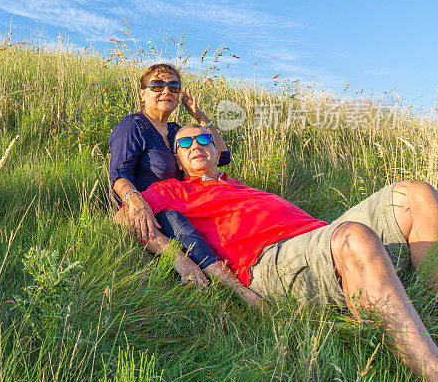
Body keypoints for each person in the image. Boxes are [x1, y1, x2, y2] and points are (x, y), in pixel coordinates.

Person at [141, 123, 438, 380]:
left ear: (218, 152)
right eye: (185, 142)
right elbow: (126, 217)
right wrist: (178, 260)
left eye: (204, 140)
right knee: (353, 236)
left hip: (320, 235)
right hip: (270, 260)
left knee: (416, 193)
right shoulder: (169, 191)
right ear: (178, 161)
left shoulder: (238, 186)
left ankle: (428, 307)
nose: (196, 145)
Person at [109, 64, 264, 308]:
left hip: (184, 201)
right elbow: (119, 174)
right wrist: (136, 201)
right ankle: (243, 296)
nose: (166, 92)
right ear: (142, 94)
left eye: (174, 87)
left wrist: (200, 118)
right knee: (174, 219)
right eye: (157, 86)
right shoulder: (133, 126)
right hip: (152, 209)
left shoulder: (175, 130)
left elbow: (222, 157)